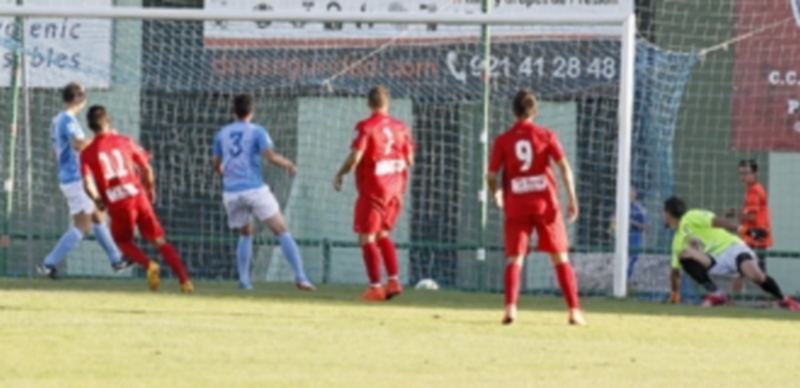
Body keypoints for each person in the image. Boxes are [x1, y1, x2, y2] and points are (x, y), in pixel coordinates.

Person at [486, 89, 586, 326]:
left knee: (515, 258)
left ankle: (510, 309)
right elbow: (564, 168)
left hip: (517, 205)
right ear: (535, 111)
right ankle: (574, 311)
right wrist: (572, 198)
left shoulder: (503, 140)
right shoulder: (546, 135)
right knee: (560, 257)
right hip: (545, 205)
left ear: (513, 112)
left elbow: (491, 175)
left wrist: (497, 192)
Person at [80, 105, 193, 292]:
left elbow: (87, 183)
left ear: (91, 127)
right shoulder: (124, 141)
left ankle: (149, 265)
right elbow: (147, 169)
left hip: (118, 203)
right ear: (108, 121)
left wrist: (97, 199)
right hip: (138, 196)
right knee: (159, 240)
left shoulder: (88, 153)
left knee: (123, 242)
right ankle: (184, 280)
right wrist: (150, 189)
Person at [212, 94, 314, 291]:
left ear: (233, 110)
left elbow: (216, 163)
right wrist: (289, 164)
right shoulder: (257, 131)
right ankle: (300, 276)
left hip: (231, 193)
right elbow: (270, 156)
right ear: (252, 111)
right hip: (254, 189)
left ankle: (244, 280)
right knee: (281, 230)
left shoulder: (222, 133)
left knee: (246, 234)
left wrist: (225, 173)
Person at [36, 82, 128, 279]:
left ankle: (116, 260)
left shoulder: (59, 119)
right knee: (83, 226)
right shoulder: (68, 120)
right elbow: (78, 144)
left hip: (72, 176)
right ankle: (48, 263)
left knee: (98, 215)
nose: (85, 99)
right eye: (83, 95)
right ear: (76, 98)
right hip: (75, 179)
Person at [333, 85, 414, 302]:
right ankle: (394, 281)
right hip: (396, 189)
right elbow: (409, 160)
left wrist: (340, 173)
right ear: (388, 104)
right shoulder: (401, 127)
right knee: (382, 235)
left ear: (369, 104)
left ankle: (376, 287)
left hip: (374, 188)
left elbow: (355, 157)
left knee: (366, 237)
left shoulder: (366, 126)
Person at [662, 196, 799, 310]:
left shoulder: (690, 216)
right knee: (683, 254)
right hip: (714, 262)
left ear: (668, 213)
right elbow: (675, 272)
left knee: (756, 276)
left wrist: (742, 229)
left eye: (663, 213)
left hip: (732, 249)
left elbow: (715, 221)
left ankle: (785, 300)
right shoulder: (676, 241)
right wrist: (675, 294)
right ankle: (716, 294)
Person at [724, 159, 772, 296]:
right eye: (740, 173)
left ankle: (775, 299)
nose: (743, 176)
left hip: (755, 237)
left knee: (749, 270)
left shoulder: (754, 192)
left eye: (746, 173)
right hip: (753, 237)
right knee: (743, 269)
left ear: (755, 174)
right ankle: (731, 300)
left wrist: (734, 214)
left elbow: (751, 217)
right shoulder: (754, 189)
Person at [608, 187, 649, 291]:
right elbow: (613, 220)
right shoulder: (621, 206)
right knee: (620, 258)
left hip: (634, 236)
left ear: (635, 193)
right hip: (622, 237)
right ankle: (619, 281)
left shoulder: (639, 209)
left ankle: (627, 280)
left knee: (632, 258)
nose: (629, 194)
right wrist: (613, 227)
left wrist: (632, 223)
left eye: (631, 192)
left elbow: (647, 228)